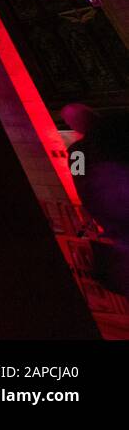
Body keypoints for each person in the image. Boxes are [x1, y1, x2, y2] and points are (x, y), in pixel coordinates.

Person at [64, 103, 129, 296]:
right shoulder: (120, 123)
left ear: (75, 127)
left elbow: (79, 179)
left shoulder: (78, 151)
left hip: (114, 206)